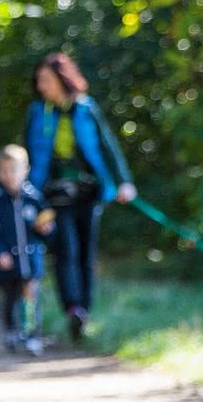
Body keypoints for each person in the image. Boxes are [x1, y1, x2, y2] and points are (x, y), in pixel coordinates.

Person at [24, 51, 136, 343]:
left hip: (89, 192)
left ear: (62, 80)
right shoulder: (38, 113)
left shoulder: (86, 108)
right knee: (66, 251)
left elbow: (107, 145)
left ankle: (84, 312)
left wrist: (123, 182)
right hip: (55, 195)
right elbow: (28, 154)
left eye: (46, 80)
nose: (41, 87)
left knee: (86, 254)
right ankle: (72, 307)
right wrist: (29, 196)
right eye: (39, 81)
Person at [0, 144, 52, 354]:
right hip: (7, 262)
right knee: (10, 298)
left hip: (31, 260)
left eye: (14, 170)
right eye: (4, 171)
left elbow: (45, 226)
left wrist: (46, 229)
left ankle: (31, 334)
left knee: (30, 296)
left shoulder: (34, 197)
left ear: (26, 170)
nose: (10, 176)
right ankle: (11, 329)